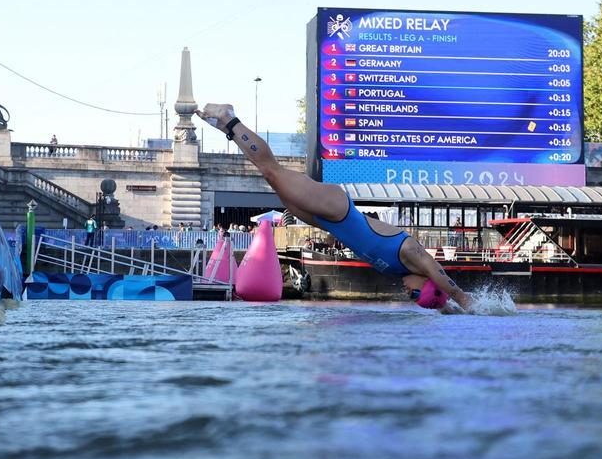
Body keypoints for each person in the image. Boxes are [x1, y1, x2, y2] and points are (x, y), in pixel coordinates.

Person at [196, 103, 472, 310]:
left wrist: (450, 308)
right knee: (273, 172)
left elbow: (440, 297)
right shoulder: (412, 256)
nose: (406, 292)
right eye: (414, 293)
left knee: (274, 183)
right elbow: (438, 272)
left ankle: (227, 129)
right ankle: (228, 117)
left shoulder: (406, 272)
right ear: (427, 283)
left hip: (326, 221)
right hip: (337, 209)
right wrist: (464, 299)